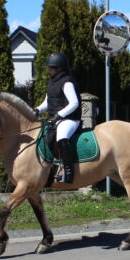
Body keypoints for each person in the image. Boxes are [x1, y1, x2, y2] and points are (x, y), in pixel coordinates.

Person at [36, 52, 81, 183]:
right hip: (56, 119)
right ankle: (51, 170)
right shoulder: (52, 82)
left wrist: (60, 114)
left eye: (50, 67)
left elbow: (74, 103)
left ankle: (69, 172)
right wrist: (37, 110)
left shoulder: (67, 83)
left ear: (58, 68)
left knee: (61, 136)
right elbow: (47, 102)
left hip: (70, 119)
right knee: (44, 137)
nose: (48, 69)